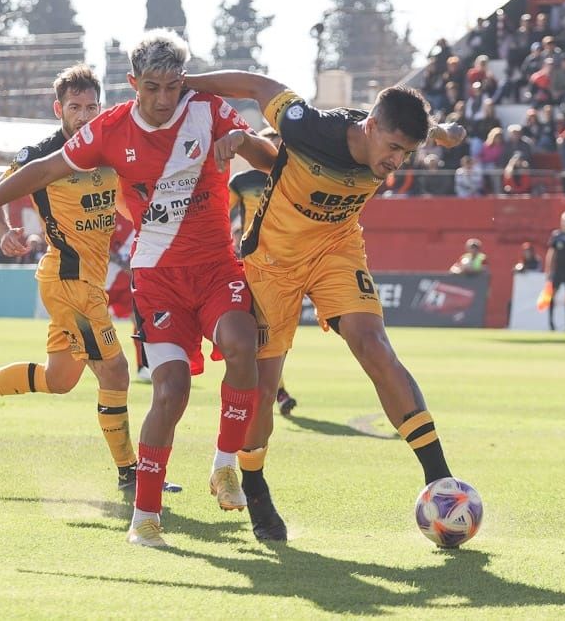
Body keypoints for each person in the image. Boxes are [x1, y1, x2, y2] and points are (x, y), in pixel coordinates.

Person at [0, 31, 274, 548]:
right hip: (107, 279)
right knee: (145, 383)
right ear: (133, 84)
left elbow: (262, 161)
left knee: (65, 378)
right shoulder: (90, 138)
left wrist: (243, 145)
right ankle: (137, 497)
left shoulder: (197, 114)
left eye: (174, 86)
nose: (164, 99)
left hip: (192, 269)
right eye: (153, 87)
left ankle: (224, 465)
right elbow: (30, 175)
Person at [182, 68, 466, 545]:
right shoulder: (308, 125)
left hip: (337, 250)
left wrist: (442, 133)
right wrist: (186, 81)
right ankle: (256, 487)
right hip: (272, 261)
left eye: (406, 153)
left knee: (373, 344)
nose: (396, 162)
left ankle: (440, 479)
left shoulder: (393, 136)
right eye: (393, 148)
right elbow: (257, 86)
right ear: (370, 127)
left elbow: (422, 129)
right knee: (264, 386)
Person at [0, 64, 172, 497]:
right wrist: (2, 233)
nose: (84, 115)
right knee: (115, 372)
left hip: (87, 282)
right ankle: (130, 473)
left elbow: (122, 200)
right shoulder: (42, 155)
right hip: (68, 281)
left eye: (91, 107)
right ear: (58, 109)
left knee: (59, 379)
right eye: (75, 107)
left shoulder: (108, 149)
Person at [228, 126, 298, 416]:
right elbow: (222, 213)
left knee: (274, 333)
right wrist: (232, 237)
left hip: (284, 262)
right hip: (251, 261)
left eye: (279, 144)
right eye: (270, 143)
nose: (274, 150)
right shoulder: (241, 181)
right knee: (260, 330)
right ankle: (275, 391)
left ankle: (270, 389)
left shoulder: (292, 179)